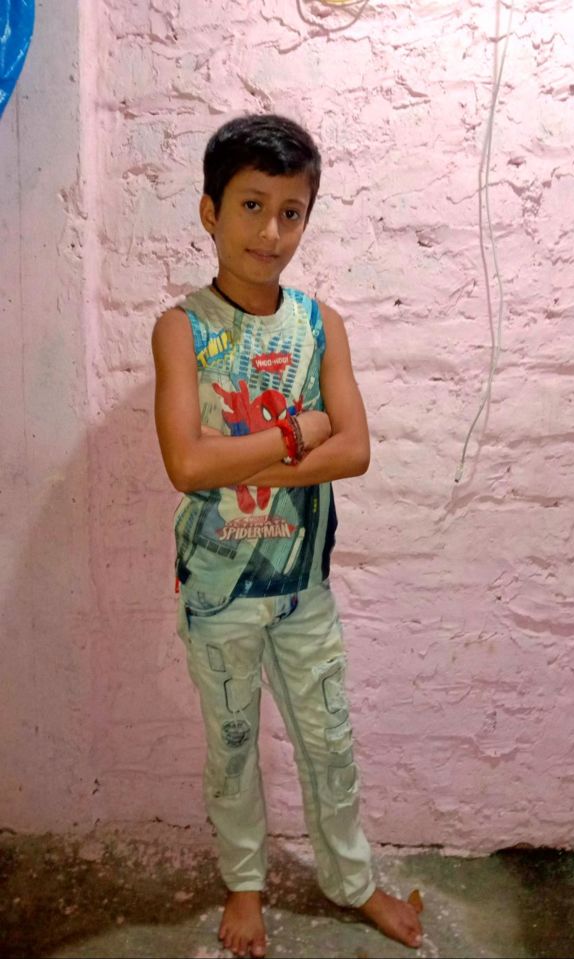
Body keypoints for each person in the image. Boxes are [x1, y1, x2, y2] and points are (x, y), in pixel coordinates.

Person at [152, 113, 423, 958]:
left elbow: (357, 449)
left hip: (303, 590)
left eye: (291, 212)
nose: (271, 232)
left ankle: (353, 879)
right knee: (233, 747)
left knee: (330, 744)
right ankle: (245, 881)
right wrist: (298, 433)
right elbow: (185, 465)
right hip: (218, 591)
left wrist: (238, 455)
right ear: (210, 211)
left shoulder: (319, 324)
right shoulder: (182, 328)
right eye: (251, 205)